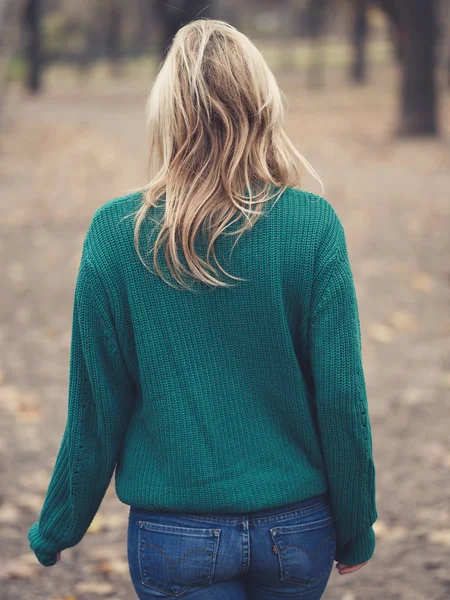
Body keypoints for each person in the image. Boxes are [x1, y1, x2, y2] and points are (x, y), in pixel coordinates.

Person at [28, 18, 378, 599]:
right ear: (261, 103)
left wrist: (57, 527)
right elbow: (342, 397)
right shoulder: (313, 226)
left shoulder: (117, 235)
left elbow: (96, 406)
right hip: (296, 531)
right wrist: (355, 525)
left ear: (169, 114)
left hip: (174, 534)